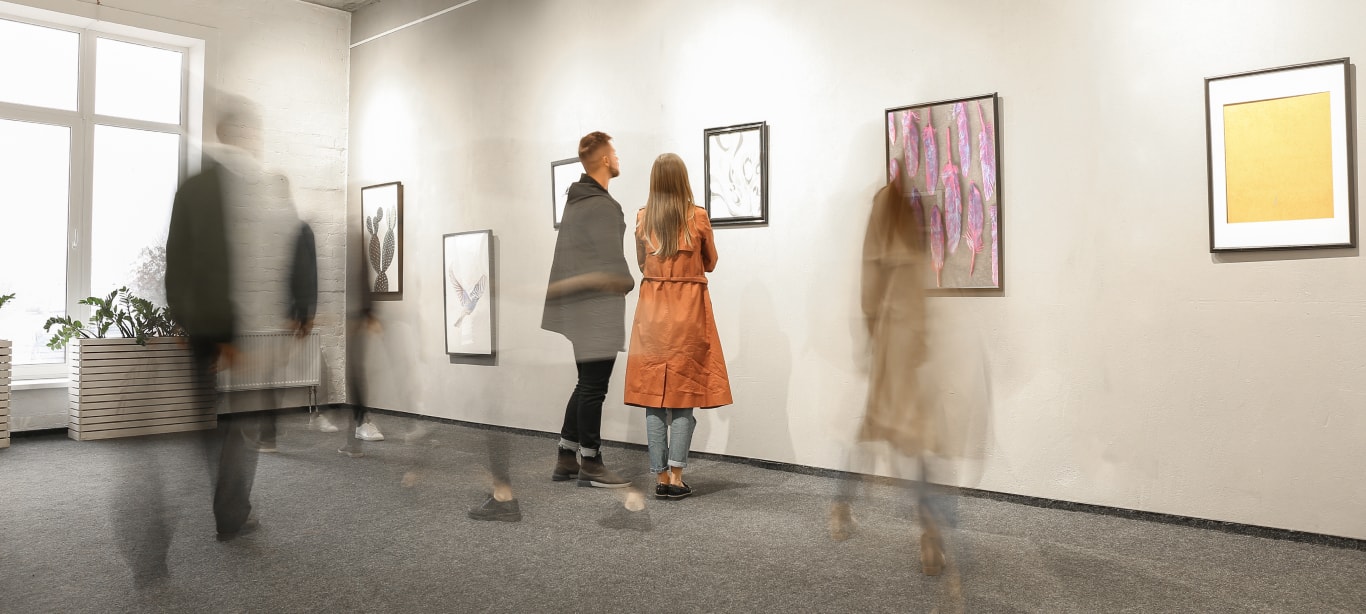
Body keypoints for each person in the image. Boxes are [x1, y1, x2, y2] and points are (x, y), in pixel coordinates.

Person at [165, 94, 317, 540]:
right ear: (244, 136)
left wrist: (185, 322)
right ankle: (230, 513)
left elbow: (178, 266)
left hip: (209, 331)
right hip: (241, 333)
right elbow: (284, 253)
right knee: (240, 426)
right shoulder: (262, 187)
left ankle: (228, 506)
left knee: (218, 425)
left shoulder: (192, 188)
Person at [829, 183, 952, 578]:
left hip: (898, 344)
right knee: (908, 437)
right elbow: (898, 292)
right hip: (903, 343)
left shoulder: (887, 223)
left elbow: (872, 290)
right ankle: (929, 534)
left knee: (881, 429)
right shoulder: (906, 225)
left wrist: (872, 335)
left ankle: (842, 504)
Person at [623, 153, 732, 500]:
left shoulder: (642, 218)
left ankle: (660, 476)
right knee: (684, 397)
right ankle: (677, 477)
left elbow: (642, 264)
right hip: (689, 311)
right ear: (683, 180)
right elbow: (711, 262)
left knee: (655, 399)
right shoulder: (697, 217)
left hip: (653, 311)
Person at [541, 131, 636, 489]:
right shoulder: (603, 207)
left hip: (579, 309)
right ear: (602, 160)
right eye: (613, 152)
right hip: (598, 308)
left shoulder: (577, 202)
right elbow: (611, 262)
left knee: (586, 383)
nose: (617, 158)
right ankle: (591, 461)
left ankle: (566, 455)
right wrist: (628, 282)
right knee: (595, 387)